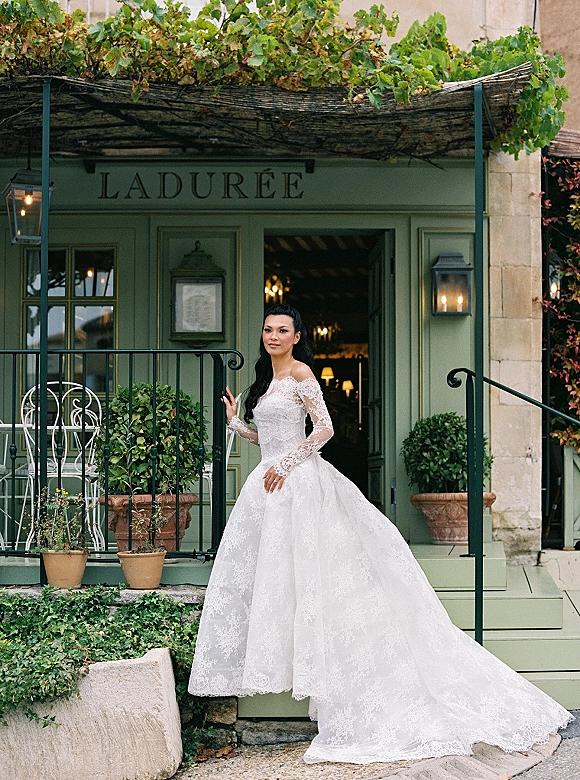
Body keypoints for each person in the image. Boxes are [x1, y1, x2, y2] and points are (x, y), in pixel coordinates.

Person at [188, 304, 573, 765]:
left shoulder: (301, 373)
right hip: (271, 486)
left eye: (282, 331)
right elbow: (271, 437)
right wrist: (237, 425)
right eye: (268, 329)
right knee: (279, 578)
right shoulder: (267, 381)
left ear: (296, 336)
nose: (273, 336)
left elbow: (324, 429)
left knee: (319, 577)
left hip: (297, 484)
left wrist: (286, 467)